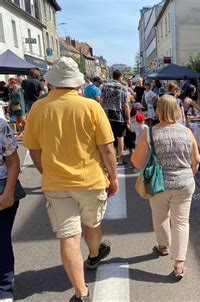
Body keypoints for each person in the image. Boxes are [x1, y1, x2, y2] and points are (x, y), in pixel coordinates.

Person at [23, 57, 118, 301]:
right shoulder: (90, 107)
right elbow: (107, 149)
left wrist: (47, 171)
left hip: (56, 182)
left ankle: (81, 292)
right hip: (90, 179)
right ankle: (94, 255)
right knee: (93, 224)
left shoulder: (38, 108)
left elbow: (34, 150)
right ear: (76, 81)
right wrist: (114, 177)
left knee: (68, 237)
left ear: (52, 81)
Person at [131, 94, 200, 279]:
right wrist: (189, 172)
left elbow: (137, 161)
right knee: (181, 222)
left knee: (160, 216)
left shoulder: (151, 132)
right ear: (177, 111)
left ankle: (163, 246)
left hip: (158, 183)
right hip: (184, 183)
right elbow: (197, 159)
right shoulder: (187, 132)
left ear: (158, 111)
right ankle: (179, 265)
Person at [0, 116, 23, 301]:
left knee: (1, 239)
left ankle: (4, 289)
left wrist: (8, 193)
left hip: (1, 188)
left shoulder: (0, 125)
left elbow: (14, 161)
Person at [101, 70, 131, 166]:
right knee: (120, 138)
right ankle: (120, 160)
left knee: (109, 138)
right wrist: (128, 118)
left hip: (107, 115)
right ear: (120, 77)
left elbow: (101, 101)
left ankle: (111, 159)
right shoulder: (123, 88)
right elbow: (126, 105)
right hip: (119, 116)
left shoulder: (105, 86)